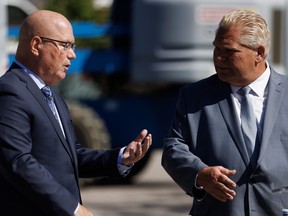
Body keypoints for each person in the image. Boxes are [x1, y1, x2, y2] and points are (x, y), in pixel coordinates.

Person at [0, 10, 152, 216]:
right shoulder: (10, 91)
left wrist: (120, 158)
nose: (72, 54)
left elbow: (69, 156)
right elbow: (18, 162)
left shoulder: (51, 95)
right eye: (65, 45)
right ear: (36, 45)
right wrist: (70, 207)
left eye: (73, 46)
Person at [162, 9, 288, 216]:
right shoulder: (194, 96)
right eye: (216, 49)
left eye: (229, 51)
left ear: (259, 52)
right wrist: (200, 174)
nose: (218, 57)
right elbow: (173, 148)